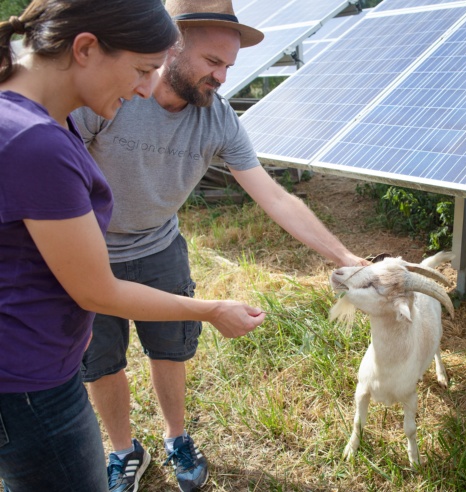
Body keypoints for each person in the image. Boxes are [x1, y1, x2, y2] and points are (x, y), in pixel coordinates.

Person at [71, 0, 369, 490]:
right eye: (212, 63)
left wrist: (343, 256)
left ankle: (176, 437)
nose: (222, 78)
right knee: (102, 363)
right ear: (171, 47)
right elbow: (60, 176)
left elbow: (273, 195)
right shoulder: (110, 98)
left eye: (228, 66)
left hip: (160, 247)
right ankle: (124, 450)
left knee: (170, 351)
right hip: (89, 252)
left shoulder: (219, 119)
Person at [0, 1, 268, 491]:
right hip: (29, 386)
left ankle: (173, 437)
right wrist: (211, 309)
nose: (147, 88)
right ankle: (125, 450)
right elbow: (97, 291)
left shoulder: (25, 122)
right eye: (143, 70)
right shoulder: (37, 142)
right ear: (85, 49)